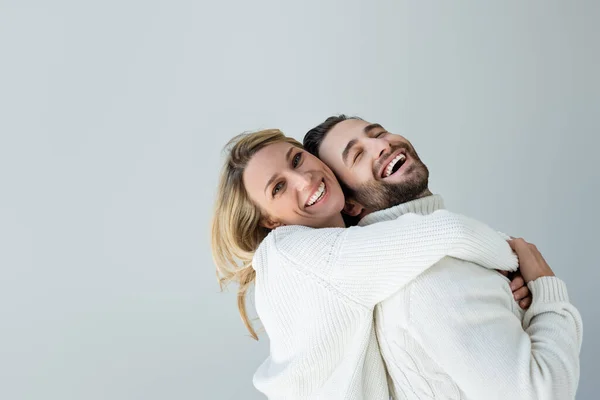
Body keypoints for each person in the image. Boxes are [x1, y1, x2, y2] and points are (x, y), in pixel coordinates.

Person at [211, 129, 524, 399]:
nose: (302, 178)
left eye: (296, 160)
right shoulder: (287, 253)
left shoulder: (354, 248)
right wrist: (518, 257)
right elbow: (445, 233)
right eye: (278, 187)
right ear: (270, 221)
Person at [303, 115, 583, 400]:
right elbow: (543, 394)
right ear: (350, 205)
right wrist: (548, 292)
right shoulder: (428, 279)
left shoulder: (445, 256)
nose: (381, 145)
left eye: (378, 132)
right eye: (358, 154)